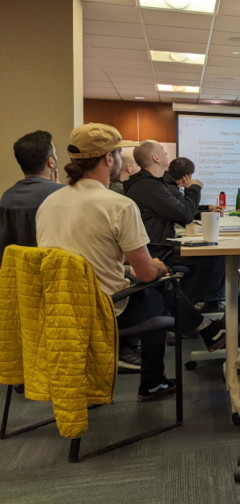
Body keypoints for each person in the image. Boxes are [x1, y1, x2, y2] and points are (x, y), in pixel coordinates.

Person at [35, 123, 176, 402]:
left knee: (140, 282)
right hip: (104, 309)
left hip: (57, 309)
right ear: (108, 158)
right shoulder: (118, 205)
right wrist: (157, 266)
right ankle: (151, 383)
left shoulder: (49, 203)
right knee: (160, 290)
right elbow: (146, 273)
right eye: (119, 154)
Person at [124, 140, 226, 348]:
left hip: (157, 247)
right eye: (163, 151)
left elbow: (173, 208)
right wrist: (194, 188)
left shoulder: (150, 184)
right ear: (155, 158)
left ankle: (188, 317)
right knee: (212, 257)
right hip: (155, 251)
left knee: (211, 256)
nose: (166, 155)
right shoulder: (148, 186)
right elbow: (183, 213)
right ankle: (182, 317)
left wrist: (202, 207)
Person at [0, 129, 63, 236]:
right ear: (51, 162)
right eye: (55, 153)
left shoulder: (7, 197)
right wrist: (59, 190)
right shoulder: (62, 195)